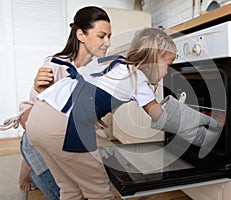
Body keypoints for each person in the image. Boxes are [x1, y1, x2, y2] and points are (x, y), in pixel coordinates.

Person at [26, 27, 219, 199]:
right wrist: (203, 135)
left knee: (69, 188)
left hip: (38, 118)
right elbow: (162, 117)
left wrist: (93, 114)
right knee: (99, 191)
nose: (167, 72)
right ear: (155, 57)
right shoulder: (138, 79)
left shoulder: (118, 64)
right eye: (167, 65)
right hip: (64, 127)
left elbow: (92, 87)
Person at [0, 6, 112, 199]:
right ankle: (29, 167)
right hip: (38, 140)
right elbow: (30, 120)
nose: (107, 42)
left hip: (66, 139)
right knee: (59, 193)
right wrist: (40, 91)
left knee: (84, 186)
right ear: (81, 35)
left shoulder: (93, 71)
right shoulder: (54, 65)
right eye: (102, 36)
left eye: (109, 36)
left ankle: (31, 167)